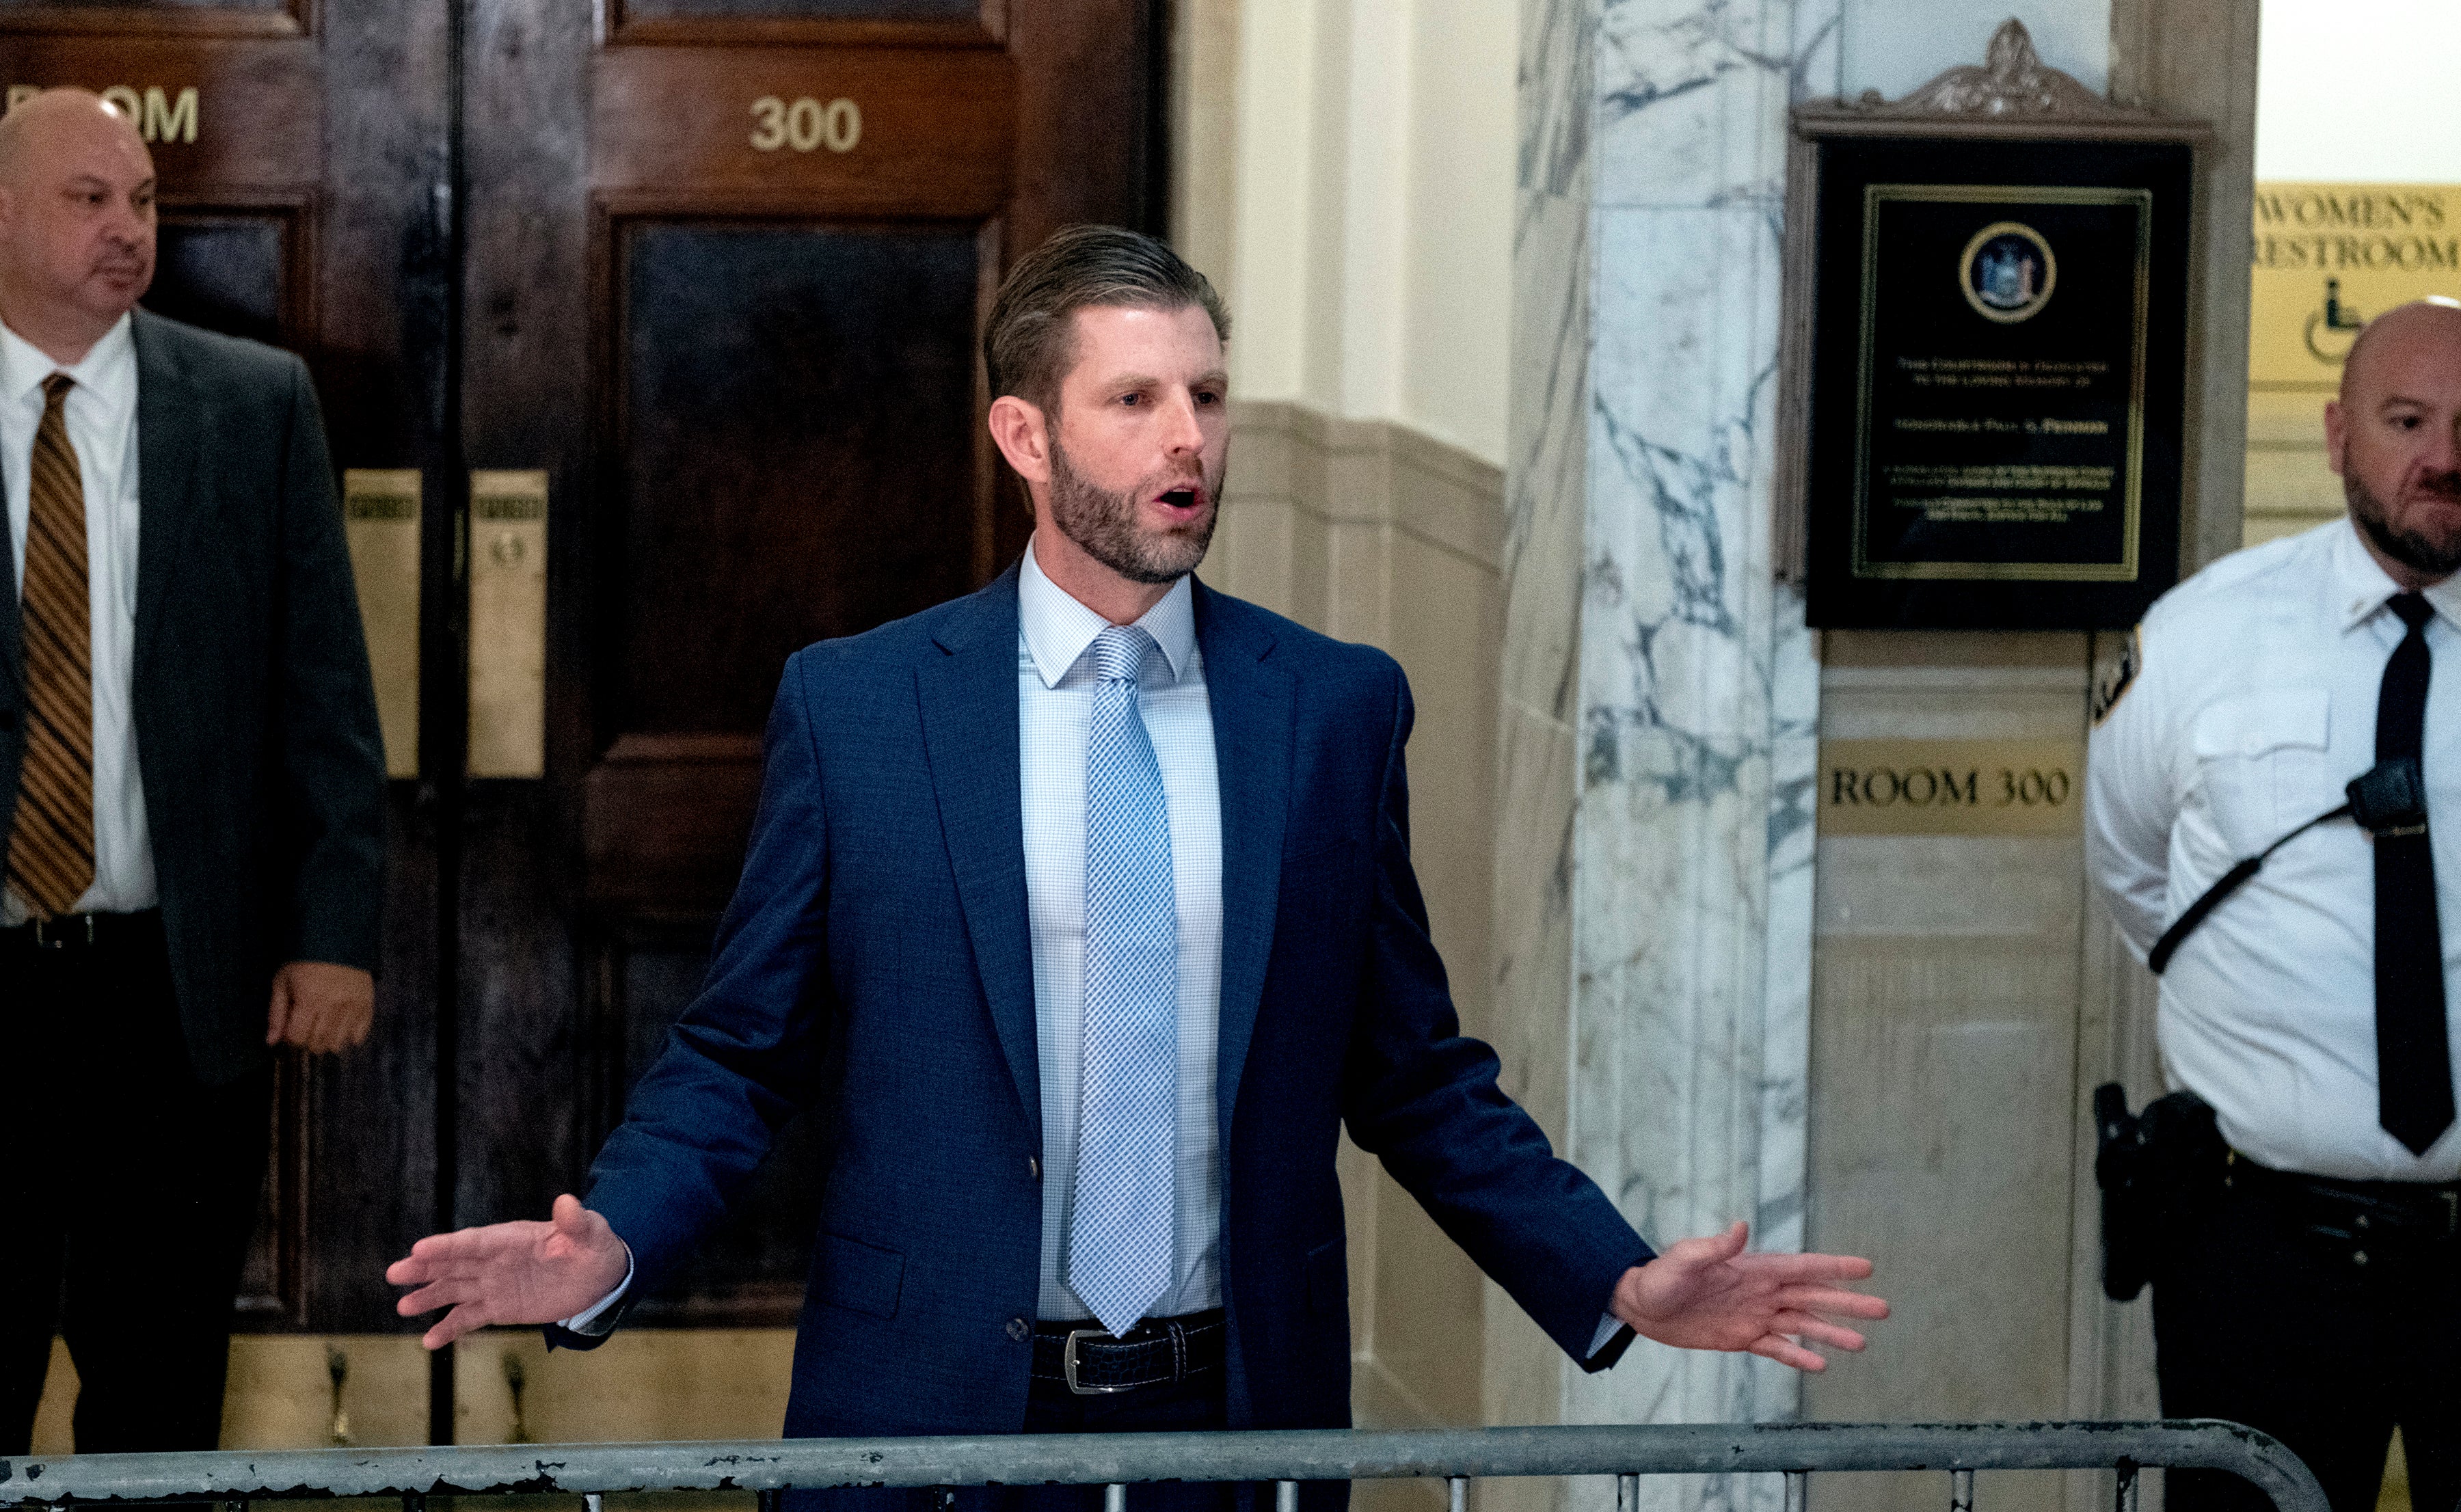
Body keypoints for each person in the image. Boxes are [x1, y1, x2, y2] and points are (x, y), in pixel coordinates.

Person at [388, 226, 1885, 1507]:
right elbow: (740, 1047)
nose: (1189, 438)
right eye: (1136, 399)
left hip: (1233, 1416)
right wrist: (615, 1239)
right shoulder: (861, 708)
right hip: (926, 1414)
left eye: (1209, 396)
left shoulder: (1332, 707)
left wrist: (1613, 1276)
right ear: (1025, 436)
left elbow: (1416, 1074)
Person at [0, 90, 386, 1453]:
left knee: (157, 1377)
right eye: (85, 198)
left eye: (144, 201)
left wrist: (332, 931)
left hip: (168, 984)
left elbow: (325, 695)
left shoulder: (249, 402)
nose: (126, 228)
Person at [2086, 298, 2461, 1512]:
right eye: (2406, 420)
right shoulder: (2204, 637)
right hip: (2262, 1253)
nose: (2443, 457)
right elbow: (2136, 877)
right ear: (2338, 435)